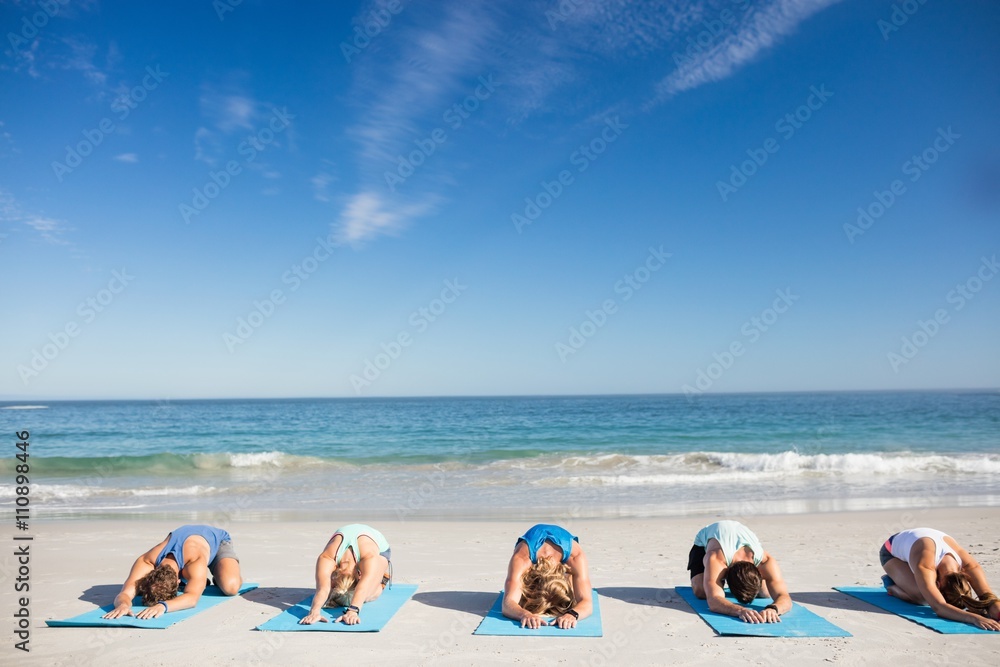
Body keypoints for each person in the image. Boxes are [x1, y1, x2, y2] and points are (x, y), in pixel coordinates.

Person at [103, 524, 242, 619]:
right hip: (188, 549)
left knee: (230, 587)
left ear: (178, 581)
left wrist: (162, 606)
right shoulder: (146, 561)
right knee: (196, 580)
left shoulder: (195, 561)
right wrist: (123, 604)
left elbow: (192, 599)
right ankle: (198, 581)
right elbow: (125, 593)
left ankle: (216, 575)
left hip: (217, 542)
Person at [880, 527, 1000, 631]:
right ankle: (892, 585)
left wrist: (997, 612)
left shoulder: (970, 566)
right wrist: (974, 618)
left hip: (917, 543)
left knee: (925, 591)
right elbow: (938, 606)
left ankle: (904, 578)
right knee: (922, 598)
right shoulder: (925, 566)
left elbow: (988, 596)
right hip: (891, 552)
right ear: (937, 584)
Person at [687, 519, 791, 623]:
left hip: (739, 534)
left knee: (765, 594)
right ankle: (717, 580)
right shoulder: (715, 559)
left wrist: (773, 609)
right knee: (701, 592)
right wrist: (740, 610)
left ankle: (717, 581)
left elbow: (784, 596)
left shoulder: (765, 561)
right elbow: (713, 600)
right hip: (704, 543)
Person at [502, 523, 593, 629]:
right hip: (530, 548)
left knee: (572, 596)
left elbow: (587, 603)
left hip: (565, 549)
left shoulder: (575, 557)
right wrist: (525, 614)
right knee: (525, 600)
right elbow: (507, 604)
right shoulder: (522, 559)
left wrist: (572, 615)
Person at [300, 523, 392, 625]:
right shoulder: (327, 557)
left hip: (380, 551)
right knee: (340, 595)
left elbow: (362, 588)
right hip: (355, 547)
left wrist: (352, 611)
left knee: (368, 595)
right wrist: (314, 612)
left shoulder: (369, 557)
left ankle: (380, 580)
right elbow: (322, 589)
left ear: (359, 574)